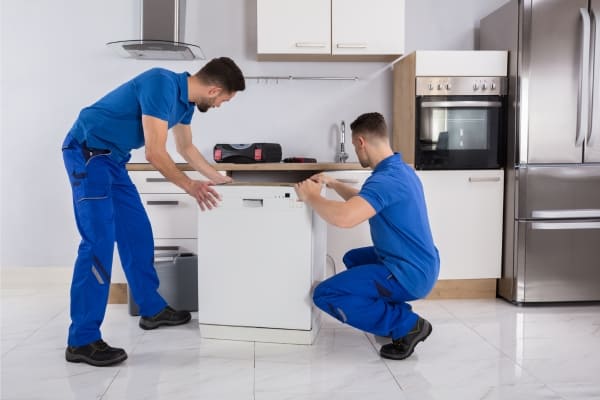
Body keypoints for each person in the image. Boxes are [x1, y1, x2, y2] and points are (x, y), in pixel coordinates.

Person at [61, 57, 245, 366]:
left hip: (113, 160)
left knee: (137, 234)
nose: (220, 106)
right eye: (223, 100)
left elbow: (186, 148)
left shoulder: (184, 103)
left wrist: (216, 177)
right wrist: (191, 186)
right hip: (87, 154)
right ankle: (82, 339)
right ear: (213, 91)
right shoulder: (160, 82)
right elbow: (155, 152)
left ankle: (152, 308)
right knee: (98, 244)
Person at [294, 112, 439, 360]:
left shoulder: (386, 180)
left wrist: (311, 196)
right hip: (419, 263)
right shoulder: (399, 170)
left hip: (410, 273)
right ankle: (391, 313)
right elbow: (363, 201)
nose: (355, 152)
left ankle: (408, 324)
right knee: (354, 259)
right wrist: (333, 183)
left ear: (361, 142)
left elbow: (345, 218)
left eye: (354, 146)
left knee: (327, 294)